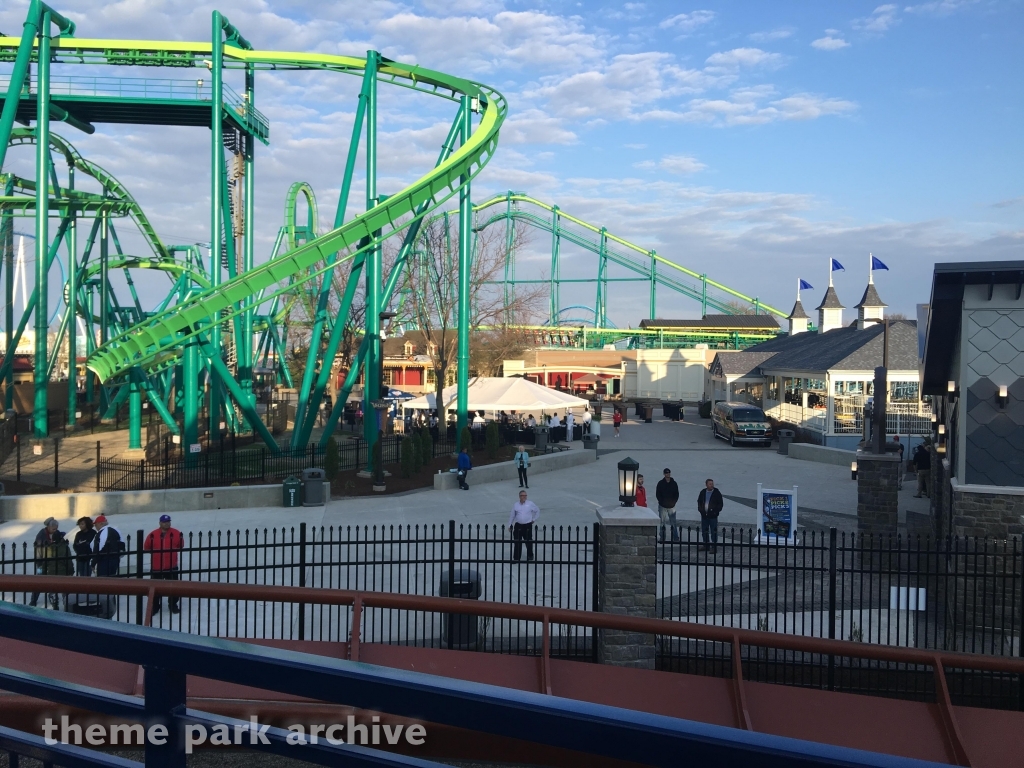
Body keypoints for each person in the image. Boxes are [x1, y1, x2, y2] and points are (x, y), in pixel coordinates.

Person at [144, 514, 185, 614]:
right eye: (164, 522)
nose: (167, 524)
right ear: (160, 523)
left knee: (173, 587)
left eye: (168, 522)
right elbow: (146, 547)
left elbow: (181, 545)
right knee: (155, 588)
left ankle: (173, 605)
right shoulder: (153, 534)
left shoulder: (176, 533)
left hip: (171, 566)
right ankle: (155, 606)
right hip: (156, 567)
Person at [30, 518, 72, 607]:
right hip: (42, 561)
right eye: (54, 528)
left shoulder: (55, 533)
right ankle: (34, 599)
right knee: (39, 580)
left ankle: (57, 597)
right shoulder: (41, 535)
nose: (55, 530)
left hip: (53, 562)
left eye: (56, 528)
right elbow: (38, 550)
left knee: (58, 581)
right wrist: (40, 564)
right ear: (49, 527)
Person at [508, 490, 540, 562]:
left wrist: (534, 519)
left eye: (525, 495)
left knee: (528, 542)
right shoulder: (516, 505)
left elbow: (537, 510)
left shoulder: (530, 504)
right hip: (518, 525)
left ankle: (530, 555)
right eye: (523, 495)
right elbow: (512, 515)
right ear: (520, 496)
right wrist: (509, 525)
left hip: (527, 525)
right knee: (517, 542)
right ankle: (516, 558)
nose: (524, 497)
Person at [697, 478, 724, 553]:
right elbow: (699, 502)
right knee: (704, 531)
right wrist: (701, 510)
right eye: (710, 484)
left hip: (713, 516)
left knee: (713, 531)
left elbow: (720, 504)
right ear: (706, 485)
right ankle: (706, 545)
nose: (711, 485)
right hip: (704, 516)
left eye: (712, 484)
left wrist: (715, 512)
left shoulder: (716, 493)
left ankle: (714, 547)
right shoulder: (703, 492)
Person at [655, 468, 680, 541]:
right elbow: (658, 494)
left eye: (668, 473)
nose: (667, 474)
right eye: (666, 473)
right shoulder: (660, 483)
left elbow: (677, 494)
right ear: (664, 474)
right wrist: (661, 501)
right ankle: (662, 537)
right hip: (662, 506)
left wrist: (673, 502)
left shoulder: (674, 483)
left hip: (672, 506)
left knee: (673, 522)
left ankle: (675, 537)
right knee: (662, 522)